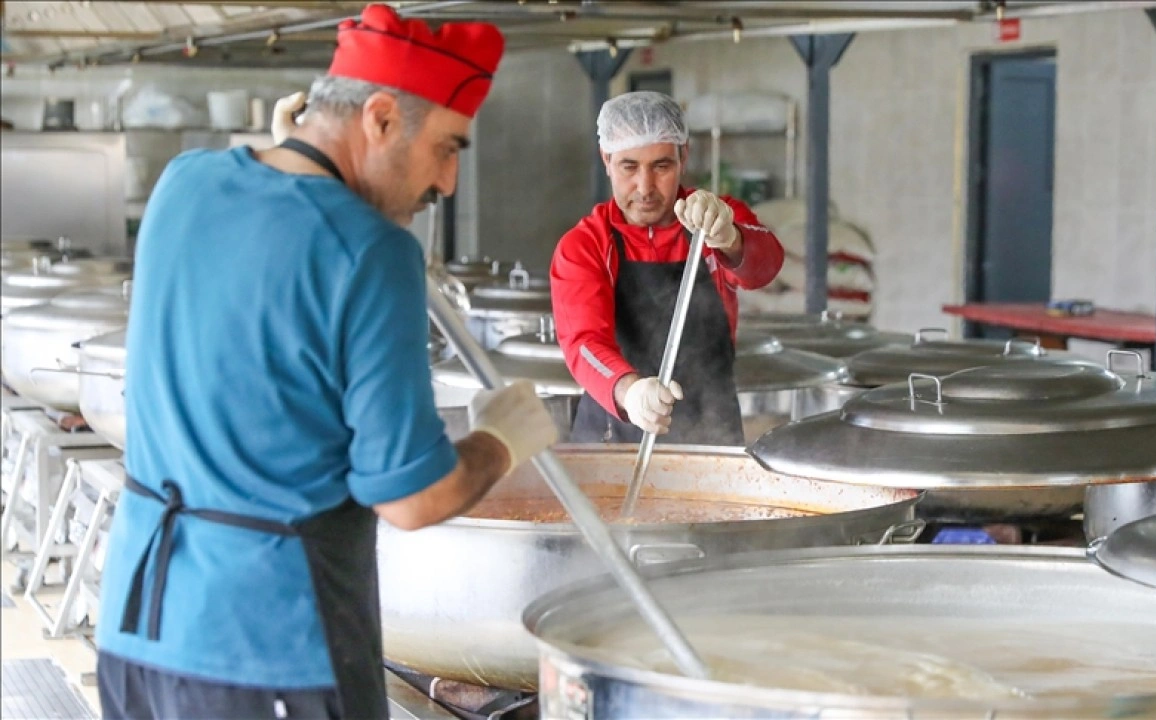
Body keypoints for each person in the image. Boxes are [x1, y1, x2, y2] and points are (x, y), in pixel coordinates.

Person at [94, 5, 558, 719]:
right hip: (272, 650)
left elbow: (263, 237)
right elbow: (412, 497)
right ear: (378, 117)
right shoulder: (371, 252)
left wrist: (300, 162)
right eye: (447, 146)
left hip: (140, 624)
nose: (448, 181)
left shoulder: (183, 183)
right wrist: (501, 441)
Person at [550, 91, 785, 446]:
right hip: (612, 437)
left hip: (711, 431)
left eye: (661, 166)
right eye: (629, 166)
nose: (645, 188)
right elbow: (583, 343)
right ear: (606, 160)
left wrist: (730, 238)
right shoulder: (585, 245)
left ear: (684, 156)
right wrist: (629, 392)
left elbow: (764, 267)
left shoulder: (713, 219)